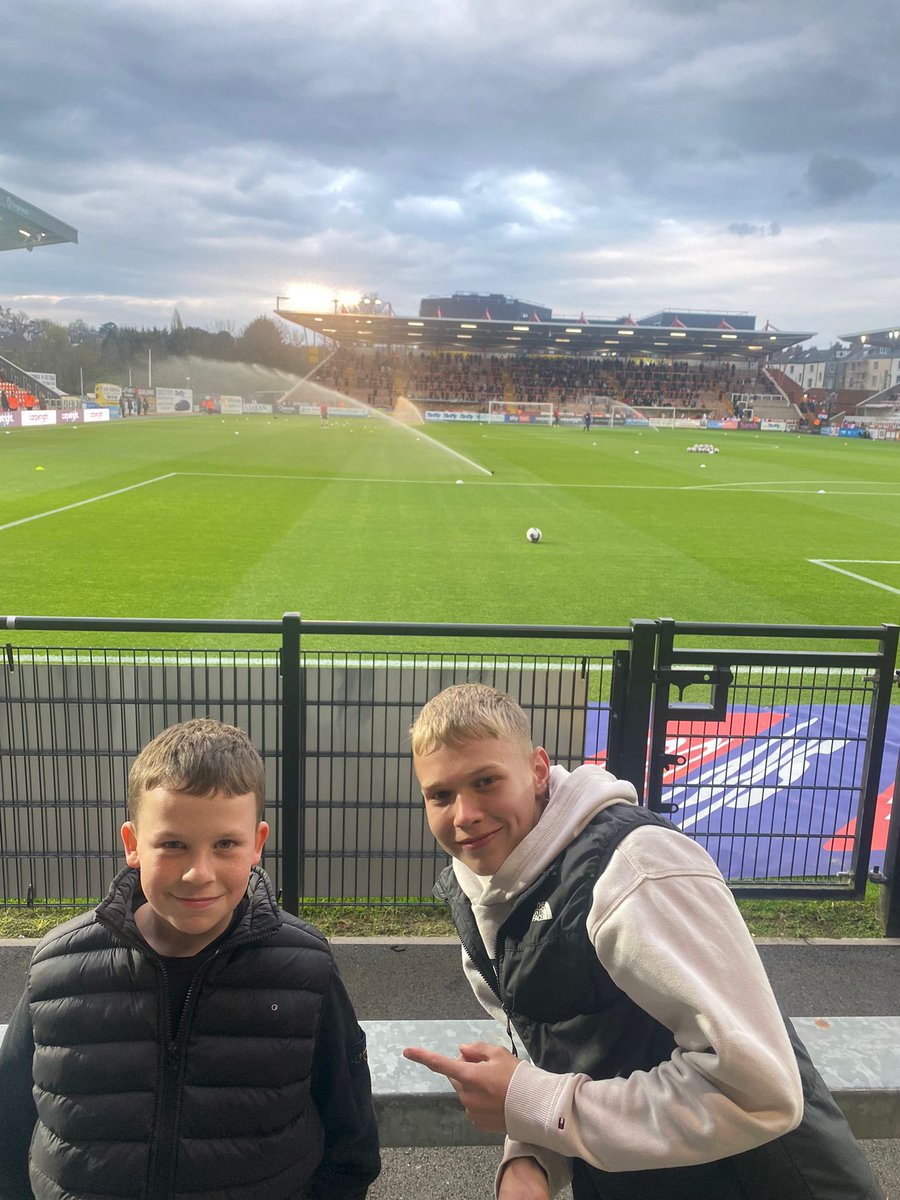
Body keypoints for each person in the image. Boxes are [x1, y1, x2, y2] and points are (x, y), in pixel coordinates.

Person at [404, 684, 883, 1200]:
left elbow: (759, 1092)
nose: (464, 814)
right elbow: (552, 1058)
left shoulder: (637, 872)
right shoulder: (482, 902)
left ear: (538, 770)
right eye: (441, 795)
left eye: (486, 781)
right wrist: (532, 1158)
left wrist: (532, 1104)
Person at [0, 718, 380, 1200]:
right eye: (173, 844)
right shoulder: (58, 967)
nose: (199, 873)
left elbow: (351, 1142)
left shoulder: (304, 969)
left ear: (258, 844)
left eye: (225, 844)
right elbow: (9, 1128)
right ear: (133, 845)